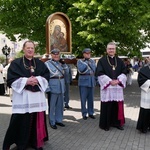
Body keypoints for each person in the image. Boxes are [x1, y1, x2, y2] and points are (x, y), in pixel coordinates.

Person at [2, 41, 50, 150]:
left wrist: (37, 79)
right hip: (23, 97)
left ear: (34, 50)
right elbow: (11, 79)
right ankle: (21, 142)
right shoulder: (16, 63)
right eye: (28, 48)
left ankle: (35, 141)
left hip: (37, 97)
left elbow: (46, 76)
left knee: (36, 119)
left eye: (32, 48)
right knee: (21, 120)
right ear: (23, 49)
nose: (30, 50)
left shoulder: (40, 63)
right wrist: (26, 81)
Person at [95, 42, 127, 131]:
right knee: (107, 106)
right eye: (109, 49)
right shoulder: (102, 60)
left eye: (113, 49)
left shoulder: (120, 61)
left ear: (115, 50)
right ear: (106, 50)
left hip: (117, 87)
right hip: (108, 87)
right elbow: (99, 73)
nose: (111, 50)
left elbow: (124, 72)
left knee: (116, 106)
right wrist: (109, 81)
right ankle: (106, 125)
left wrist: (118, 80)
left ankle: (117, 123)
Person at [45, 49, 68, 129]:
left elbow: (67, 73)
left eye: (57, 54)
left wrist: (64, 64)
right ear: (51, 55)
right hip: (53, 85)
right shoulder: (47, 64)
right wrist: (47, 88)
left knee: (60, 105)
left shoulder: (61, 64)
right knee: (52, 105)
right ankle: (52, 121)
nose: (56, 56)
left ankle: (59, 120)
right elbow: (45, 77)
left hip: (61, 85)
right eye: (54, 54)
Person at [77, 48, 96, 120]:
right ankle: (84, 113)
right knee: (83, 99)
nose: (88, 55)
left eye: (89, 53)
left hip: (91, 81)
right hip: (83, 82)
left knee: (91, 99)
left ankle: (91, 112)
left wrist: (96, 80)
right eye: (86, 53)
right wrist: (86, 63)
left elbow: (95, 71)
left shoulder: (93, 61)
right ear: (84, 54)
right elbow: (81, 70)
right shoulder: (80, 61)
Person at [136, 63, 150, 133]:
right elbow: (140, 80)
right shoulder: (143, 70)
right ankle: (144, 127)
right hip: (147, 92)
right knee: (146, 110)